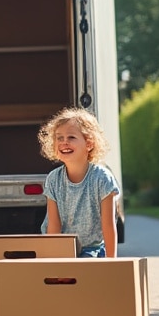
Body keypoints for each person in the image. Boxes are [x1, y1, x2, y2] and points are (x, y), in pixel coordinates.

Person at [37, 108, 120, 258]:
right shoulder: (53, 179)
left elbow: (108, 225)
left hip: (92, 249)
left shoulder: (102, 178)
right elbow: (54, 225)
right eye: (59, 138)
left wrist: (111, 262)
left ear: (89, 144)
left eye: (71, 137)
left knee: (84, 266)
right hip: (62, 247)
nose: (64, 142)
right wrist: (53, 258)